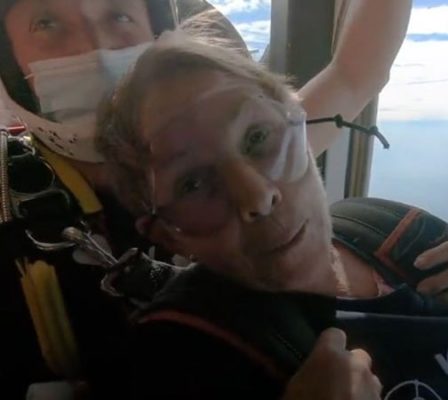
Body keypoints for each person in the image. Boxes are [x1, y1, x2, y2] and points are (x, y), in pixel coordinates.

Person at [95, 31, 448, 399]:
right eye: (193, 183)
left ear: (298, 126)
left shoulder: (391, 230)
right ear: (168, 234)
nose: (257, 196)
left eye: (257, 138)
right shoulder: (186, 354)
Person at [0, 0, 414, 397]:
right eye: (47, 23)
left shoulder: (261, 147)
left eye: (119, 14)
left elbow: (356, 72)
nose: (93, 45)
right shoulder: (6, 204)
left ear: (156, 31)